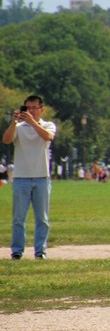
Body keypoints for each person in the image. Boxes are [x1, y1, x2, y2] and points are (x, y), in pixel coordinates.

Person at [5, 95, 57, 260]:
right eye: (28, 108)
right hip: (21, 178)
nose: (31, 111)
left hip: (42, 177)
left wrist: (33, 122)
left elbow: (47, 137)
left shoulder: (48, 125)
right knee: (19, 218)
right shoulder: (19, 127)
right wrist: (14, 122)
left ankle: (40, 251)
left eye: (35, 108)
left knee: (42, 218)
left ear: (42, 110)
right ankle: (17, 251)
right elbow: (6, 140)